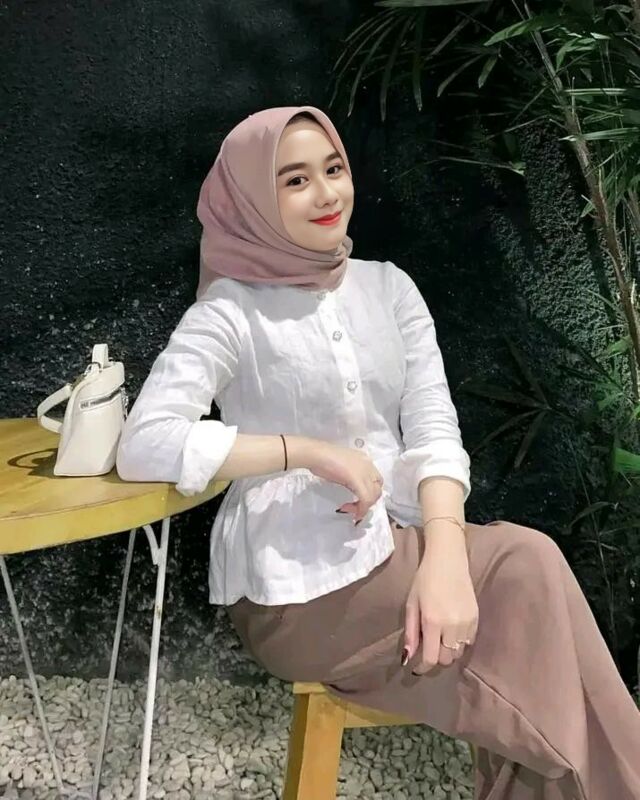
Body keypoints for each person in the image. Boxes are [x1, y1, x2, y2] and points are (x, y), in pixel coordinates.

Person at [116, 105, 640, 799]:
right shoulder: (229, 311)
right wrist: (304, 451)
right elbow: (146, 442)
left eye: (333, 169)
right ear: (252, 200)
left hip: (407, 547)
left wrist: (446, 559)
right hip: (298, 589)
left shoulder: (389, 287)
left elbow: (434, 429)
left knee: (527, 594)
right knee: (527, 591)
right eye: (294, 180)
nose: (326, 193)